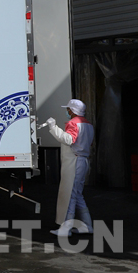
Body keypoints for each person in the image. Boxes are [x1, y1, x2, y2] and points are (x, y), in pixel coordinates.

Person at [43, 99, 95, 236]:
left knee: (69, 195)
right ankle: (87, 226)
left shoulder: (73, 123)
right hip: (83, 161)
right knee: (77, 194)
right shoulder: (88, 125)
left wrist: (53, 127)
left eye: (68, 109)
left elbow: (69, 140)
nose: (67, 111)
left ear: (72, 110)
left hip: (74, 161)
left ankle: (66, 229)